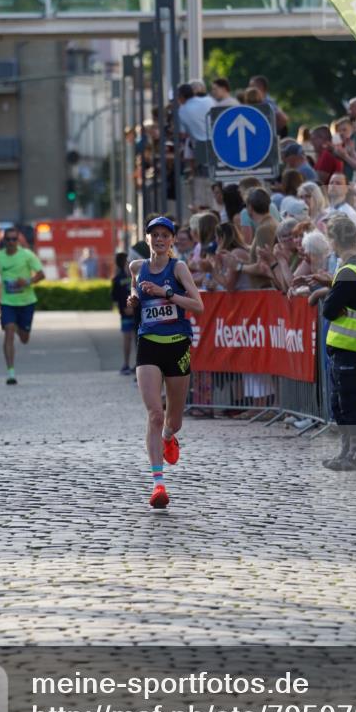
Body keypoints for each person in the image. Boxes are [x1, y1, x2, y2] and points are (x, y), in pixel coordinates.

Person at [128, 216, 204, 509]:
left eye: (165, 235)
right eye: (154, 235)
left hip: (177, 346)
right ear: (147, 239)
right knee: (154, 414)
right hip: (148, 344)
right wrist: (134, 298)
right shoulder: (137, 267)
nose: (159, 240)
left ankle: (169, 437)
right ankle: (158, 484)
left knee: (173, 421)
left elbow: (198, 305)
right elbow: (135, 290)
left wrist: (167, 293)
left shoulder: (179, 268)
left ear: (171, 241)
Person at [312, 217, 356, 471]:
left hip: (349, 346)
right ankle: (348, 452)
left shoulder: (349, 270)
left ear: (333, 241)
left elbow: (330, 309)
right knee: (342, 402)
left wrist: (331, 298)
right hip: (351, 346)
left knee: (350, 403)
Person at [0, 228, 45, 385]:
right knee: (8, 332)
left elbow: (41, 274)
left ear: (18, 240)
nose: (11, 242)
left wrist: (27, 282)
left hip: (26, 301)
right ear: (4, 241)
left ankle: (16, 326)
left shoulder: (27, 255)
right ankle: (11, 373)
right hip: (7, 302)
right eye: (8, 239)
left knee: (24, 339)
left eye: (14, 239)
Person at [111, 251, 135, 375]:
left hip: (125, 313)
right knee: (136, 338)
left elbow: (114, 299)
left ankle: (126, 364)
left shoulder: (116, 279)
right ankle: (136, 364)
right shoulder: (135, 276)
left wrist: (123, 309)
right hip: (136, 312)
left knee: (127, 338)